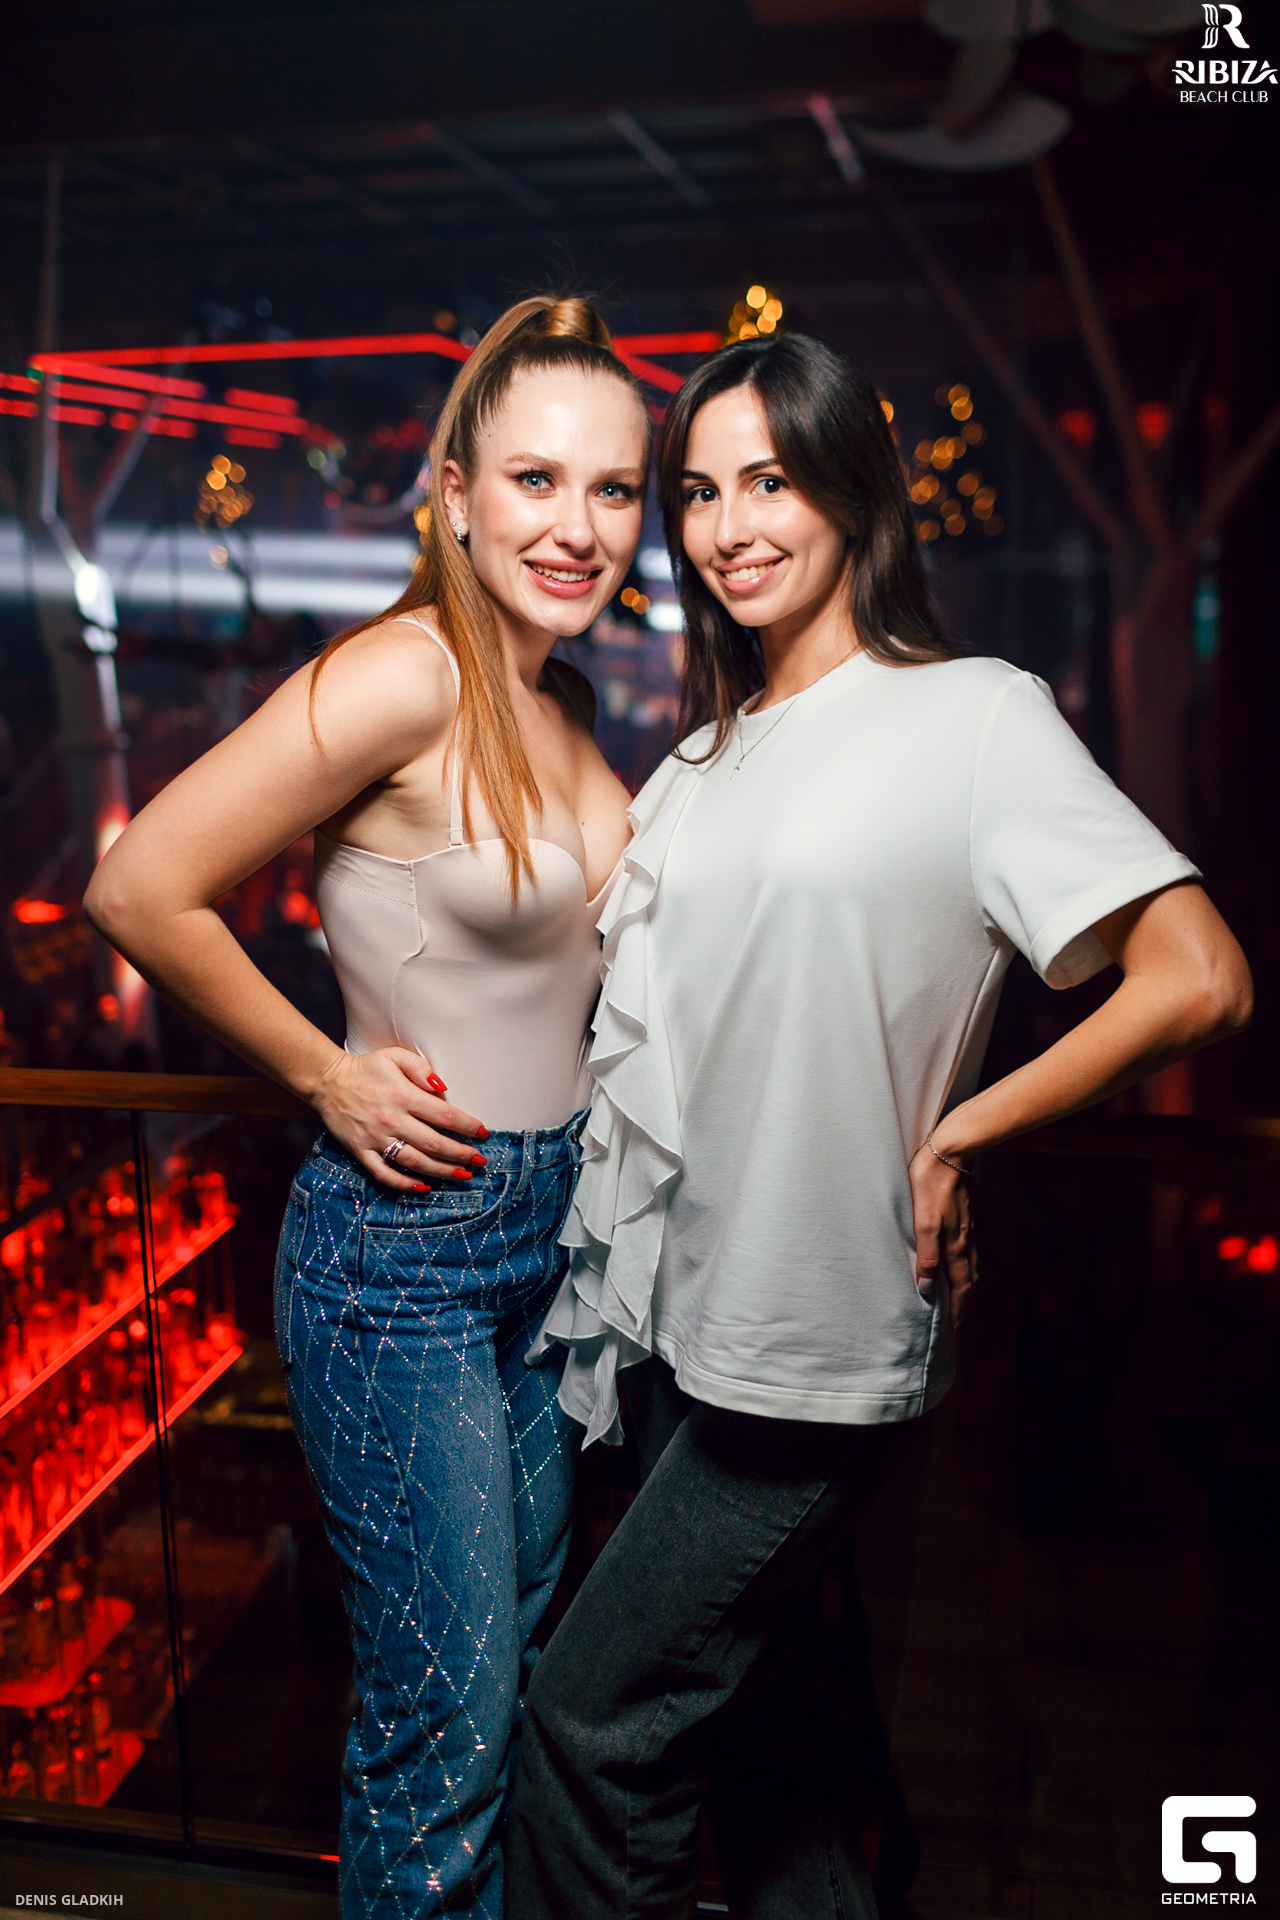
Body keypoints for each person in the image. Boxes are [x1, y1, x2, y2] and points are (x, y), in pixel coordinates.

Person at [508, 332, 1253, 1919]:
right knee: (776, 1759)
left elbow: (1200, 976)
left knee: (588, 1728)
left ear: (853, 488)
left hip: (816, 1337)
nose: (730, 526)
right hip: (677, 1333)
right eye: (700, 491)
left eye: (771, 479)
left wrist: (963, 1134)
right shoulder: (699, 758)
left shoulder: (971, 717)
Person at [84, 295, 649, 1919]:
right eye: (535, 480)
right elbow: (142, 883)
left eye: (613, 488)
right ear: (454, 494)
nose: (578, 526)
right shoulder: (406, 673)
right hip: (403, 1253)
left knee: (515, 1679)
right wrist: (323, 1070)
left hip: (550, 1242)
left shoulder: (568, 704)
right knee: (444, 1718)